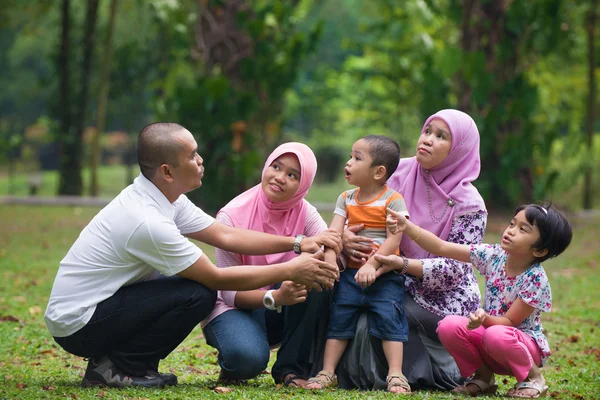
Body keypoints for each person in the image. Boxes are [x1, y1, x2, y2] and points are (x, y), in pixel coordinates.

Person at [44, 123, 341, 389]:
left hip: (98, 305)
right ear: (167, 171)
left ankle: (120, 364)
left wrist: (297, 242)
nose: (200, 161)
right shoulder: (148, 221)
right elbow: (216, 278)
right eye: (192, 156)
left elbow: (225, 235)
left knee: (193, 287)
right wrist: (289, 271)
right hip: (79, 323)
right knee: (197, 291)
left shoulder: (167, 199)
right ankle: (122, 368)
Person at [337, 109, 487, 391]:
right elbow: (360, 211)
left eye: (441, 136)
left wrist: (401, 265)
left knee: (384, 311)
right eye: (427, 131)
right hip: (386, 274)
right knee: (344, 301)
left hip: (443, 296)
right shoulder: (396, 173)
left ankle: (437, 371)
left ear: (459, 150)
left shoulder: (470, 204)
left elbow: (455, 269)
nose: (428, 140)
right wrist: (346, 236)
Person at [385, 203, 572, 398]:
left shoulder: (535, 279)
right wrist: (407, 227)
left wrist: (484, 320)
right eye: (512, 224)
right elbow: (442, 247)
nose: (511, 231)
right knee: (449, 325)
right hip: (491, 335)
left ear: (540, 251)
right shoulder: (494, 255)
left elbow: (509, 323)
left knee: (496, 334)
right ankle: (483, 378)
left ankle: (533, 378)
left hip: (521, 345)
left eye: (522, 229)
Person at [201, 142, 336, 388]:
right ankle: (236, 353)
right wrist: (276, 297)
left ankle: (290, 369)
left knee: (318, 277)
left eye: (292, 175)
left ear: (303, 184)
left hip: (279, 299)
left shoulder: (303, 209)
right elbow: (230, 292)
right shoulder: (231, 216)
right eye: (276, 167)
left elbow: (327, 241)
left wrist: (332, 253)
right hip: (235, 307)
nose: (280, 178)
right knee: (247, 359)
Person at [305, 135, 411, 394]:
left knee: (390, 319)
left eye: (356, 158)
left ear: (378, 172)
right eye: (350, 156)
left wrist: (372, 265)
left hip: (384, 277)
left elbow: (394, 238)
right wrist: (331, 260)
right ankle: (327, 371)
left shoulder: (393, 200)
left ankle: (396, 374)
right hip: (351, 275)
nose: (348, 162)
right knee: (340, 318)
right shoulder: (346, 198)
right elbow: (333, 233)